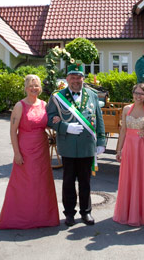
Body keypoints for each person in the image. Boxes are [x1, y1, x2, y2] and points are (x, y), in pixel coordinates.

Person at [0, 74, 60, 229]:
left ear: (40, 88)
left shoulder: (44, 104)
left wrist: (55, 121)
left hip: (42, 149)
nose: (33, 88)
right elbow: (13, 131)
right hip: (25, 150)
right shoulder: (20, 106)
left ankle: (43, 218)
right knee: (25, 184)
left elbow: (44, 123)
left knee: (41, 183)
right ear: (25, 88)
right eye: (30, 86)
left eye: (36, 85)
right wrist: (17, 153)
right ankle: (21, 217)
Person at [47, 62, 106, 227]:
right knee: (68, 182)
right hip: (68, 146)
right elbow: (49, 118)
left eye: (78, 77)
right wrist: (65, 127)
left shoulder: (92, 95)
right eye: (72, 77)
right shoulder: (57, 97)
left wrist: (101, 141)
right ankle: (69, 213)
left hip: (87, 146)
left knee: (85, 182)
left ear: (83, 79)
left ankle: (86, 212)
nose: (76, 80)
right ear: (67, 79)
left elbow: (99, 119)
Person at [113, 83, 144, 226]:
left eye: (141, 94)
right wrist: (118, 150)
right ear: (132, 94)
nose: (138, 96)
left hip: (143, 148)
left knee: (142, 179)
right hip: (129, 148)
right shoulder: (126, 109)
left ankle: (141, 214)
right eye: (136, 93)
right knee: (129, 178)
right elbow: (123, 131)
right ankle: (127, 212)